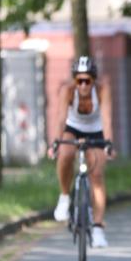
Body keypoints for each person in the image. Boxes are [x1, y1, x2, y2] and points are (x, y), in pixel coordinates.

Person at [48, 55, 114, 247]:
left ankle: (99, 228)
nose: (83, 85)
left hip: (96, 130)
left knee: (97, 175)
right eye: (79, 80)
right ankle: (64, 197)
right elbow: (60, 118)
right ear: (74, 80)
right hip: (73, 128)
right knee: (66, 154)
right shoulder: (67, 91)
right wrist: (55, 143)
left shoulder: (102, 90)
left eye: (87, 81)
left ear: (94, 80)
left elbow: (107, 118)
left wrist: (109, 144)